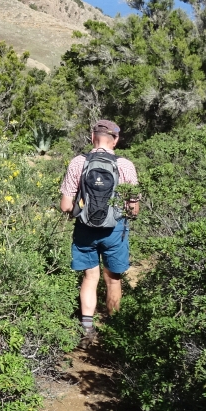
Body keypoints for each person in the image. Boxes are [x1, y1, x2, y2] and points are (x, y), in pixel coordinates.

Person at [59, 119, 140, 338]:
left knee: (90, 277)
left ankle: (87, 327)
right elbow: (133, 210)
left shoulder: (78, 162)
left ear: (92, 137)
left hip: (85, 229)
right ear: (116, 140)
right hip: (115, 230)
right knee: (113, 279)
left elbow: (65, 205)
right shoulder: (125, 165)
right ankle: (114, 328)